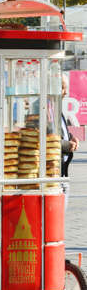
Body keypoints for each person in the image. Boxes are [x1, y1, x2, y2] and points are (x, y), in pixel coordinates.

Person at [61, 76, 79, 208]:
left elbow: (59, 131)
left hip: (61, 170)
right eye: (63, 88)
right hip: (53, 171)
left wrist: (71, 137)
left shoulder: (55, 108)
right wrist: (65, 145)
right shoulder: (42, 108)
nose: (66, 92)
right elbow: (42, 137)